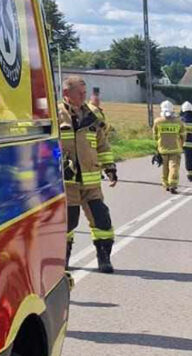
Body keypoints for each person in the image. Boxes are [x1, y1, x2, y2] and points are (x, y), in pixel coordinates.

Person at [58, 76, 118, 273]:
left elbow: (102, 144)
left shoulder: (92, 116)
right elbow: (46, 145)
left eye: (85, 93)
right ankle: (62, 259)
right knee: (68, 222)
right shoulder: (56, 115)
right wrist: (57, 162)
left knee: (102, 219)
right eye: (80, 93)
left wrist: (109, 167)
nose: (84, 96)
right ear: (67, 93)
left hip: (91, 181)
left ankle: (104, 258)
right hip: (68, 183)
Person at [153, 101, 185, 194]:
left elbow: (155, 136)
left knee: (165, 168)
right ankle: (173, 185)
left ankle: (166, 184)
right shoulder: (179, 122)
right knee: (174, 167)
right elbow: (183, 136)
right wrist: (181, 145)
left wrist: (158, 145)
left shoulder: (157, 121)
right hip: (175, 149)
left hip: (162, 149)